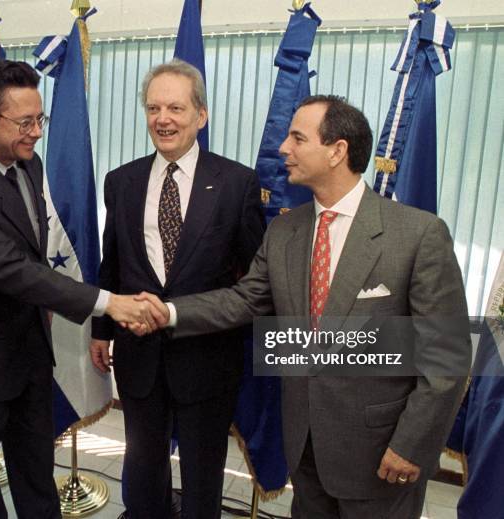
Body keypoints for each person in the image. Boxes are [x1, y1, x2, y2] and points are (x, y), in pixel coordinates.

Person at [137, 95, 471, 518]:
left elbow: (446, 357)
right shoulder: (284, 231)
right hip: (305, 446)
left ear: (337, 151)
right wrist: (168, 312)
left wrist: (411, 445)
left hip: (381, 453)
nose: (283, 149)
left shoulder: (418, 235)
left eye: (297, 138)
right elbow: (244, 299)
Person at [0, 59, 159, 519]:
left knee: (36, 478)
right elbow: (11, 270)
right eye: (25, 122)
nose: (37, 132)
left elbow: (35, 251)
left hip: (28, 355)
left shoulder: (27, 164)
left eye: (39, 119)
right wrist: (109, 303)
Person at [89, 59, 265, 518]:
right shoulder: (121, 181)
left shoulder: (237, 183)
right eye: (153, 108)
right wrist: (101, 329)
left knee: (204, 471)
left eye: (175, 108)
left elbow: (253, 279)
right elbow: (114, 262)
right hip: (138, 354)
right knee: (143, 466)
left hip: (207, 357)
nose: (162, 119)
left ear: (200, 116)